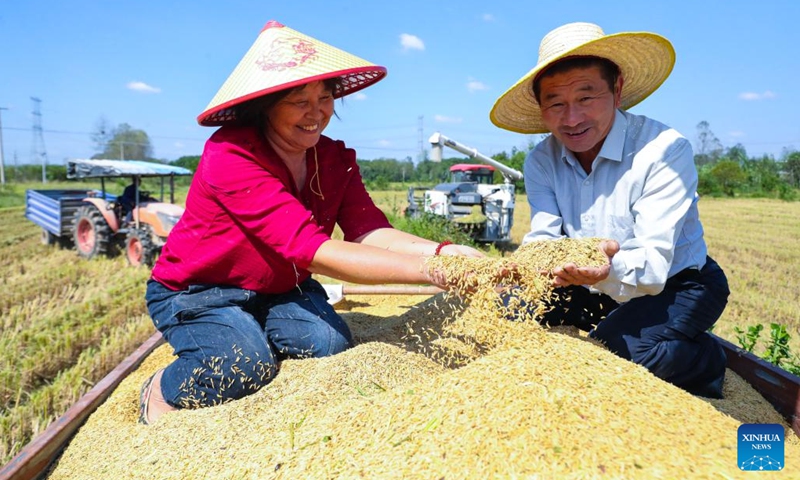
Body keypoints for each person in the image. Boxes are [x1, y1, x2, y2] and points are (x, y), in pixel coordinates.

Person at [140, 21, 483, 425]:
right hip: (201, 289)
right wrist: (436, 272)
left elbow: (369, 231)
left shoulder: (334, 158)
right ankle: (160, 387)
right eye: (298, 100)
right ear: (265, 104)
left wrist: (448, 253)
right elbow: (312, 249)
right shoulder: (231, 154)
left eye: (325, 97)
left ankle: (250, 325)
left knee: (329, 344)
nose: (316, 112)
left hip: (281, 287)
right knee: (244, 365)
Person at [490, 22, 730, 398]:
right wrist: (523, 268)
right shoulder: (541, 161)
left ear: (616, 89)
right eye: (556, 103)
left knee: (618, 352)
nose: (572, 119)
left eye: (586, 98)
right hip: (590, 278)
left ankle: (707, 359)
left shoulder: (664, 151)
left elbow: (651, 268)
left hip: (678, 282)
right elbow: (545, 235)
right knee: (509, 310)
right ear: (541, 107)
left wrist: (602, 269)